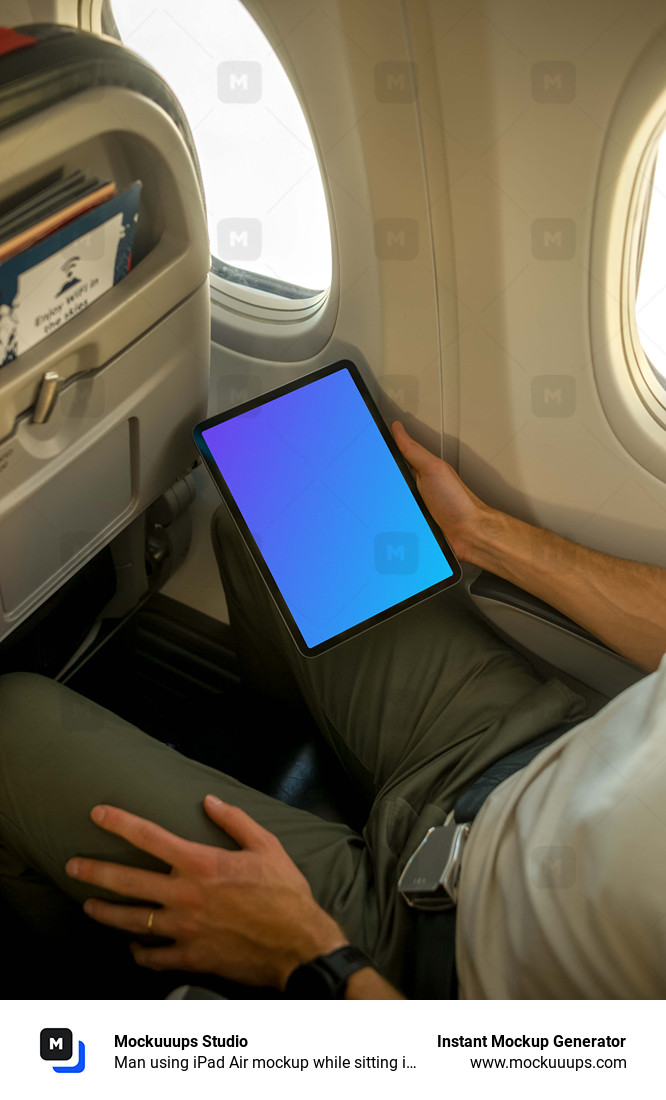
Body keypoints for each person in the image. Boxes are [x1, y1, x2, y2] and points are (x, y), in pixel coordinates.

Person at [0, 421, 664, 998]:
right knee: (278, 497)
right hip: (519, 748)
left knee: (11, 730)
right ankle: (297, 750)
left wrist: (310, 958)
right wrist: (477, 532)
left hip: (422, 954)